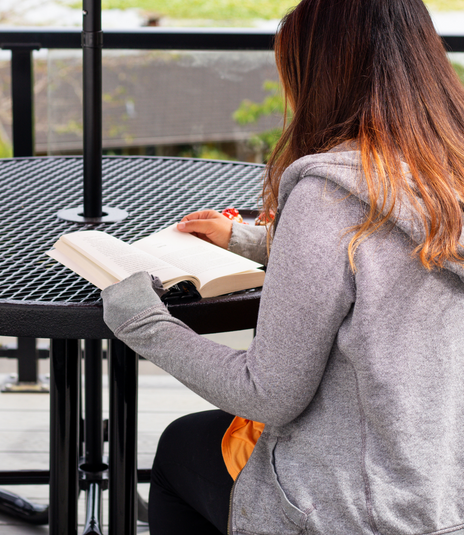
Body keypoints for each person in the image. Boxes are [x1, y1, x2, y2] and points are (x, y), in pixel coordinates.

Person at [101, 0, 464, 533]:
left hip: (358, 511)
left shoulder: (328, 197)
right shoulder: (446, 169)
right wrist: (255, 240)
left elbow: (267, 393)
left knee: (181, 448)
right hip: (445, 489)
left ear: (325, 76)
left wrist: (142, 322)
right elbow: (388, 252)